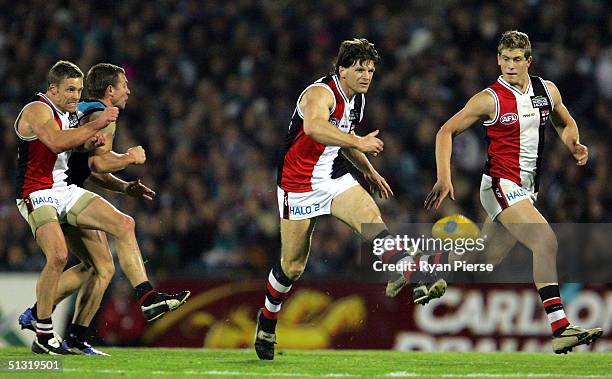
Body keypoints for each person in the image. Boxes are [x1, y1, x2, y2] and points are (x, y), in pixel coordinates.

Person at [253, 38, 445, 360]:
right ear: (342, 69)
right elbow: (315, 127)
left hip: (332, 176)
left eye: (370, 70)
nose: (367, 75)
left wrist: (368, 170)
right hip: (297, 184)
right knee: (292, 266)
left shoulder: (357, 99)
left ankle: (412, 273)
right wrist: (358, 141)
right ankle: (267, 321)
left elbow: (342, 139)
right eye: (359, 69)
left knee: (370, 215)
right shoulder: (320, 93)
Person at [423, 30, 603, 354]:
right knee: (545, 240)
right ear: (498, 60)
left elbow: (564, 122)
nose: (510, 65)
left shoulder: (546, 91)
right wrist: (444, 176)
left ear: (528, 61)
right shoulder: (489, 98)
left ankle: (430, 265)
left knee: (485, 258)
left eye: (516, 59)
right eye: (504, 59)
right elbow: (445, 130)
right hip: (498, 184)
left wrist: (573, 144)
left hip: (526, 189)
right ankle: (561, 327)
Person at [15, 61, 189, 355]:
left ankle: (145, 299)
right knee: (59, 255)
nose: (75, 96)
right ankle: (42, 327)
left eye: (79, 90)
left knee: (120, 232)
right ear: (52, 89)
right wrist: (128, 155)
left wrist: (121, 184)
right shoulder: (38, 109)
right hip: (36, 191)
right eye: (70, 90)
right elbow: (59, 144)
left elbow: (86, 160)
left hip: (65, 190)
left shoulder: (75, 113)